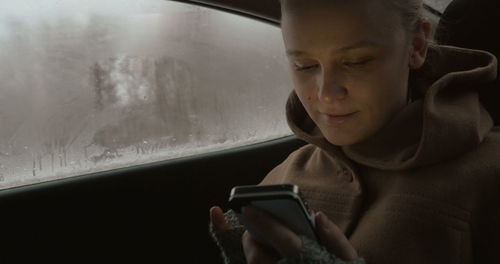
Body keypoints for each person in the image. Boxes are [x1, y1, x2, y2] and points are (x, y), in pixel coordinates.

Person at [209, 0, 500, 263]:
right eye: (304, 64)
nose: (326, 93)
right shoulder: (281, 177)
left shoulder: (488, 176)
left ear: (417, 45)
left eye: (357, 61)